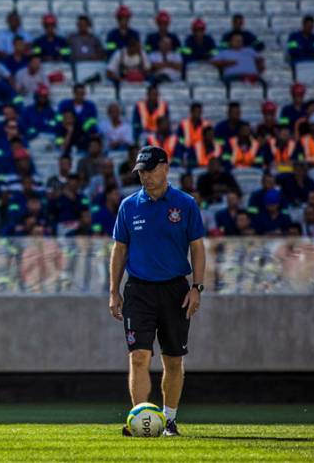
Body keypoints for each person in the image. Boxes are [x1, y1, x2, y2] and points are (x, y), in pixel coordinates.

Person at [109, 145, 205, 438]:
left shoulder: (185, 204)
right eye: (141, 172)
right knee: (139, 356)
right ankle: (139, 420)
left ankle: (170, 420)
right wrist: (114, 291)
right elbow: (119, 249)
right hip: (139, 289)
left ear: (165, 167)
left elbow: (197, 248)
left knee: (173, 359)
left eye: (150, 170)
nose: (146, 177)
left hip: (175, 289)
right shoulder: (129, 206)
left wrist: (197, 287)